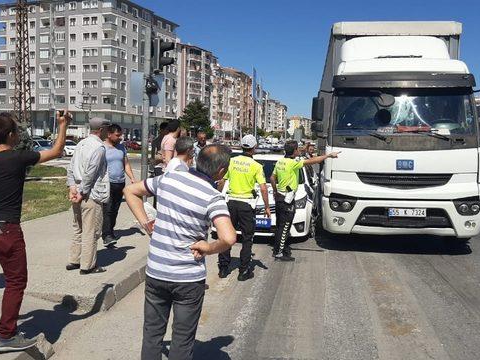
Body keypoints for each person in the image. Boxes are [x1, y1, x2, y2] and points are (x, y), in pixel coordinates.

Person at [123, 144, 237, 360]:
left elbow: (130, 191)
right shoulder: (212, 197)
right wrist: (208, 248)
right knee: (183, 339)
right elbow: (229, 237)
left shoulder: (169, 179)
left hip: (156, 272)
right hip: (188, 278)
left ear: (195, 160)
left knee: (152, 334)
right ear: (221, 171)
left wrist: (146, 223)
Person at [0, 111, 70, 353]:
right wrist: (63, 125)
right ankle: (7, 334)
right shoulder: (19, 158)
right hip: (7, 229)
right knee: (15, 281)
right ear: (12, 134)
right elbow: (56, 151)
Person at [271, 140, 340, 261]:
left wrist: (275, 191)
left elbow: (272, 177)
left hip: (279, 197)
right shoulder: (293, 163)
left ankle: (279, 248)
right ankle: (279, 253)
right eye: (297, 149)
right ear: (294, 152)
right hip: (287, 199)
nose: (299, 151)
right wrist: (328, 155)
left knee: (279, 225)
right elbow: (312, 161)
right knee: (285, 226)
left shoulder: (280, 161)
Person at [217, 134, 271, 281]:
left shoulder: (232, 161)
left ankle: (223, 268)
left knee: (226, 236)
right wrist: (267, 207)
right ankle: (244, 270)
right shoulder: (256, 166)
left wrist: (218, 196)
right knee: (247, 238)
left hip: (231, 203)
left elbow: (222, 181)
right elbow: (264, 189)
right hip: (246, 205)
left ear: (242, 146)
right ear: (254, 148)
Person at [66, 117, 111, 275]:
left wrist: (72, 187)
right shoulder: (98, 147)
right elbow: (91, 173)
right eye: (107, 128)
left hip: (77, 190)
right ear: (101, 129)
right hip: (90, 193)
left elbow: (70, 167)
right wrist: (82, 192)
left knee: (78, 227)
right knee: (91, 230)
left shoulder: (81, 144)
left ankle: (74, 259)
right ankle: (88, 265)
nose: (108, 131)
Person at [102, 124, 136, 247]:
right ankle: (106, 235)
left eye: (120, 135)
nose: (120, 137)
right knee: (108, 209)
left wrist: (132, 178)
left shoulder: (121, 147)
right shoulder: (103, 148)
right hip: (107, 183)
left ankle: (111, 231)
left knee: (115, 209)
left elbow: (126, 164)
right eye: (117, 135)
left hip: (120, 182)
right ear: (109, 134)